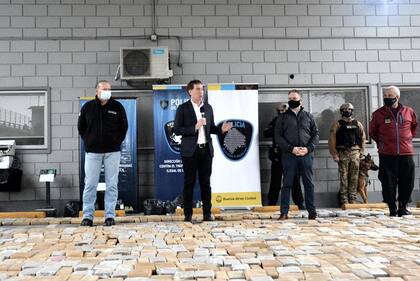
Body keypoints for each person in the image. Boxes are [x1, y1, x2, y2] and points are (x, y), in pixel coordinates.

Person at [174, 80, 232, 222]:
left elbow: (211, 128)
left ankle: (207, 213)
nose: (201, 92)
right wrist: (195, 126)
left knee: (206, 183)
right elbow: (176, 129)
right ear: (190, 91)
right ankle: (188, 214)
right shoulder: (183, 108)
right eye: (198, 89)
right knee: (189, 183)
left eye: (202, 89)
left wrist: (221, 130)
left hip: (206, 151)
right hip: (190, 152)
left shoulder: (208, 108)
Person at [77, 80, 128, 226]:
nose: (107, 91)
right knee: (90, 184)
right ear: (97, 91)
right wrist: (89, 141)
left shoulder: (117, 107)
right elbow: (81, 127)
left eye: (109, 89)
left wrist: (116, 142)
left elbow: (124, 127)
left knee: (112, 184)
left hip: (112, 152)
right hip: (93, 152)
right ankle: (87, 216)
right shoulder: (88, 107)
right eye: (104, 89)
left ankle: (110, 216)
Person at [369, 85, 417, 217]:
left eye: (390, 96)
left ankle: (403, 206)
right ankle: (392, 207)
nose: (387, 98)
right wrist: (383, 143)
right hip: (387, 154)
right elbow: (372, 132)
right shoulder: (378, 114)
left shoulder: (409, 112)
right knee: (388, 182)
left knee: (408, 181)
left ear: (397, 97)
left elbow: (413, 128)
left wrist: (405, 140)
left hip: (406, 153)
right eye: (385, 96)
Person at [275, 89, 319, 220]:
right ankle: (284, 212)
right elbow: (278, 136)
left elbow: (315, 135)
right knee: (287, 183)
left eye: (294, 98)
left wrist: (308, 149)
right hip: (289, 155)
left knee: (308, 184)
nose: (292, 101)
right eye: (290, 99)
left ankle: (312, 211)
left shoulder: (309, 116)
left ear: (301, 100)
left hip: (306, 155)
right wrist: (291, 149)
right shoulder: (282, 117)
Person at [264, 102, 305, 209]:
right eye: (280, 111)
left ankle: (299, 203)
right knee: (275, 181)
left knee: (295, 181)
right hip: (278, 156)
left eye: (284, 111)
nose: (282, 113)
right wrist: (277, 127)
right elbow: (266, 133)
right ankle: (272, 202)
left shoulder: (295, 121)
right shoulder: (275, 121)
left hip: (291, 155)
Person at [328, 103, 366, 206]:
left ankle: (352, 198)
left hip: (355, 153)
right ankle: (344, 199)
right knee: (344, 177)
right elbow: (332, 140)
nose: (347, 111)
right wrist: (334, 154)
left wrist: (361, 152)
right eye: (344, 109)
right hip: (343, 153)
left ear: (352, 111)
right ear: (341, 111)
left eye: (349, 109)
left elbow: (362, 138)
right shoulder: (337, 124)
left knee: (354, 177)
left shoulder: (358, 124)